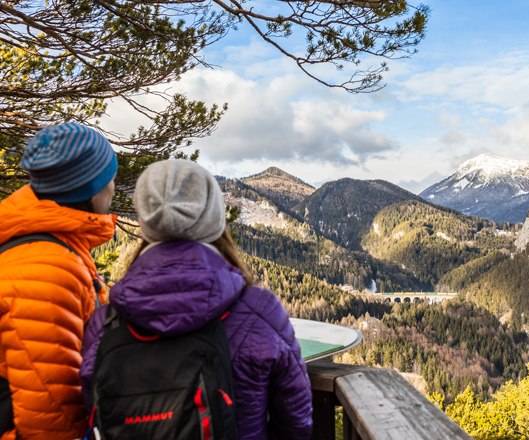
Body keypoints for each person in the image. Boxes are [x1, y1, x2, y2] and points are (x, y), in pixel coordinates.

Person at [80, 159, 313, 439]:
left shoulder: (106, 322)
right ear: (214, 220)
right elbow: (296, 421)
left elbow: (89, 411)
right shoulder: (258, 310)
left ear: (147, 221)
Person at [0, 122, 118, 439]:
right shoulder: (48, 269)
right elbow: (51, 413)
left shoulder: (44, 243)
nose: (114, 186)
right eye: (109, 177)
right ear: (90, 189)